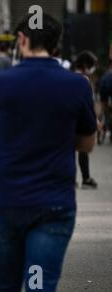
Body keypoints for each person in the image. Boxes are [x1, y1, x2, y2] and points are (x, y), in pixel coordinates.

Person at [0, 13, 97, 292]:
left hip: (6, 200)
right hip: (53, 203)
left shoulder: (0, 82)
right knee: (40, 289)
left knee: (4, 289)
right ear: (56, 44)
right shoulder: (77, 85)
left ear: (21, 39)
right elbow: (87, 144)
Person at [73, 51, 99, 189]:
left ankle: (71, 179)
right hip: (82, 119)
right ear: (84, 65)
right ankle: (86, 178)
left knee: (69, 150)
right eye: (91, 66)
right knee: (83, 150)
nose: (92, 69)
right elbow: (89, 103)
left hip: (69, 118)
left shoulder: (68, 76)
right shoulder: (85, 81)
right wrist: (95, 120)